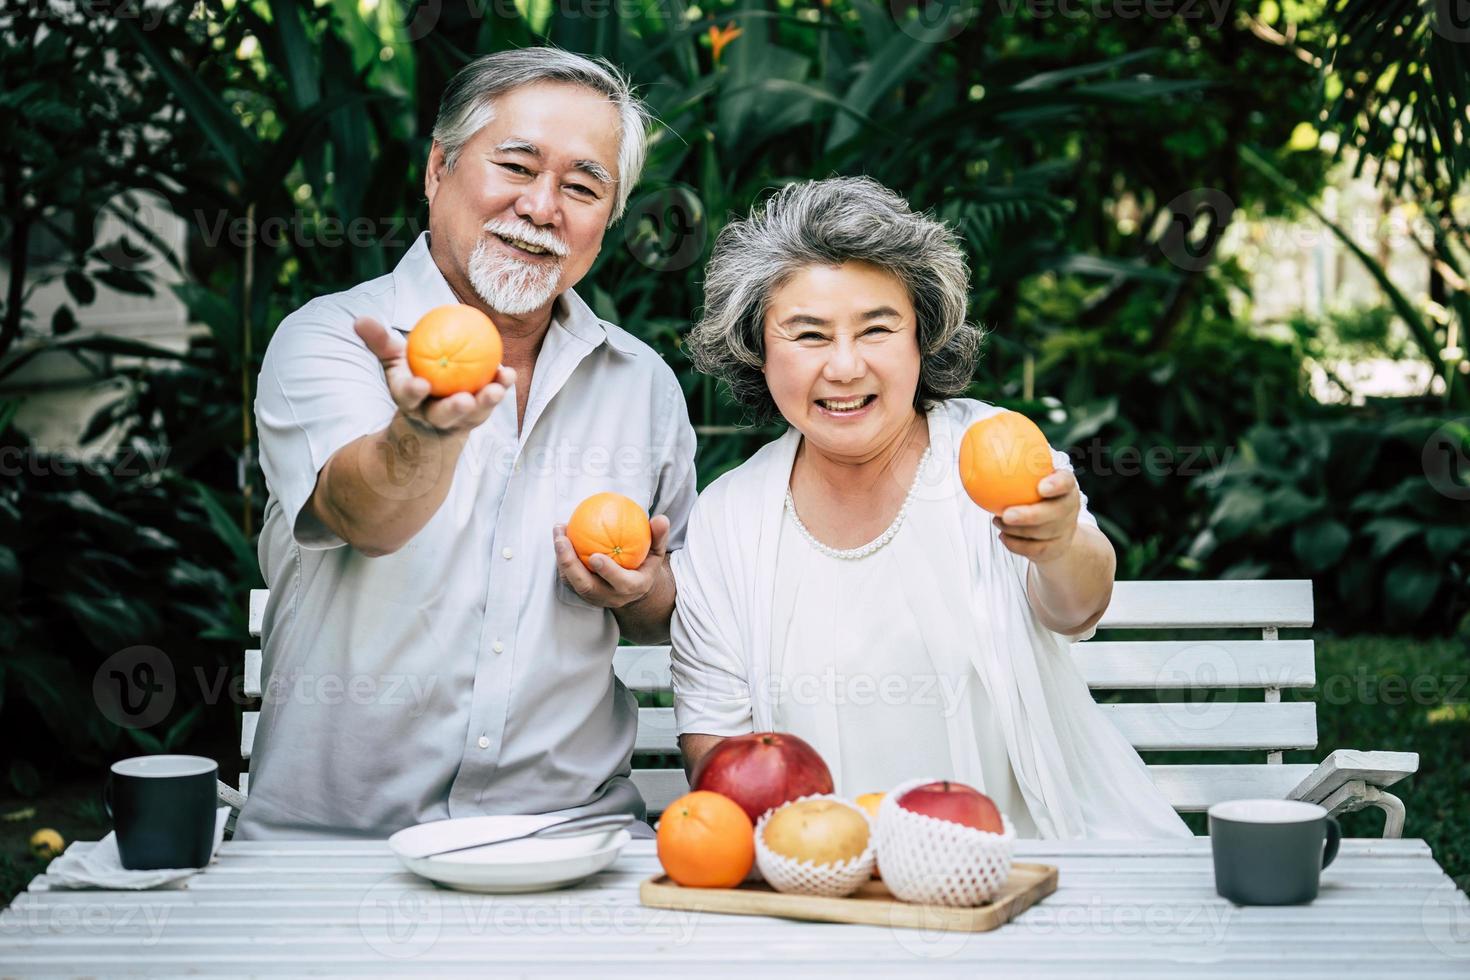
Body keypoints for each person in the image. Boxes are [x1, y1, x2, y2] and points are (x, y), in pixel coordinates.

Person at [238, 48, 696, 839]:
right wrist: (420, 434)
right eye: (516, 165)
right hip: (342, 849)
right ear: (438, 170)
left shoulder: (643, 386)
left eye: (583, 188)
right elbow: (363, 513)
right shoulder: (334, 340)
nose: (543, 206)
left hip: (571, 841)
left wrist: (642, 592)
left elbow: (669, 615)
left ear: (606, 223)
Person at [671, 176, 1190, 839]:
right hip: (827, 882)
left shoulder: (994, 454)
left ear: (922, 336)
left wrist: (1059, 545)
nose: (845, 366)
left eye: (877, 328)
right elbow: (717, 753)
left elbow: (1076, 606)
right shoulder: (729, 518)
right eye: (808, 335)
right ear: (759, 349)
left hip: (1031, 867)